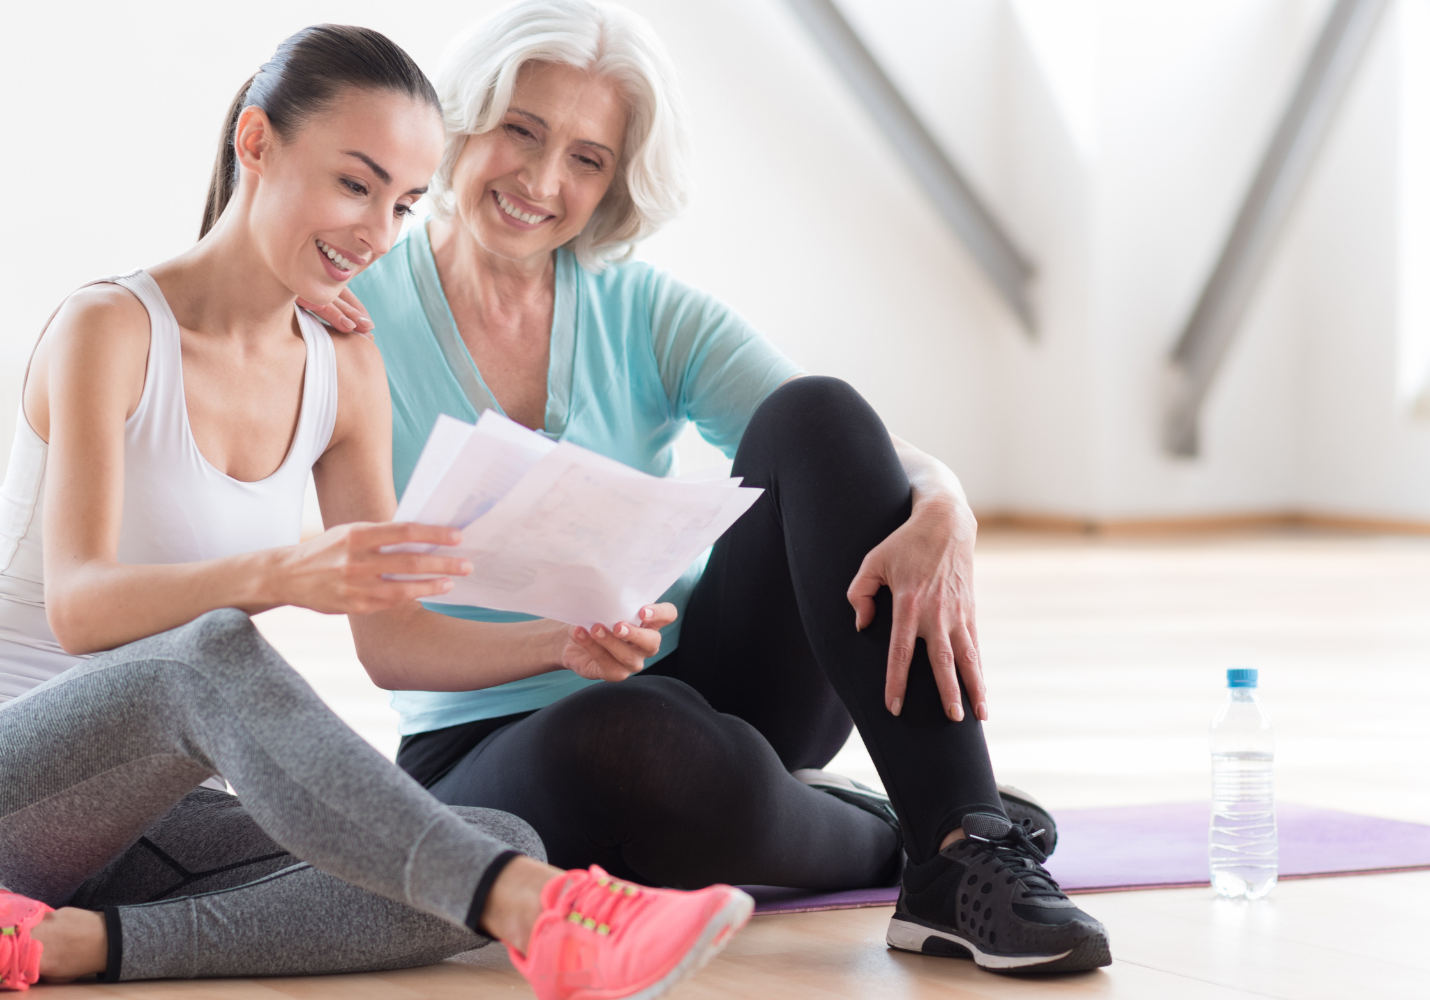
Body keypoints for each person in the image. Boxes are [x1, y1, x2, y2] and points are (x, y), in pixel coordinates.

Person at [346, 0, 1110, 976]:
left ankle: (962, 846)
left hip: (703, 679)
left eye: (586, 158)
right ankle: (914, 834)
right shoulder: (352, 324)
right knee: (644, 739)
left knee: (820, 411)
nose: (541, 181)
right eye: (520, 132)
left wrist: (947, 502)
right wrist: (561, 647)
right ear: (460, 120)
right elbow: (386, 651)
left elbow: (855, 451)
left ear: (615, 179)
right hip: (497, 745)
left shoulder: (637, 306)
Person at [0, 25, 752, 996]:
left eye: (403, 203)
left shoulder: (342, 365)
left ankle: (63, 944)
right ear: (258, 144)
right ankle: (535, 910)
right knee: (206, 655)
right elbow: (82, 607)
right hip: (19, 780)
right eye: (355, 186)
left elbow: (393, 643)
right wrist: (279, 574)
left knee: (479, 839)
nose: (377, 234)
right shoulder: (108, 329)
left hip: (131, 825)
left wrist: (556, 641)